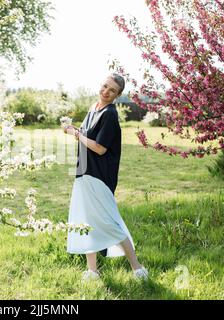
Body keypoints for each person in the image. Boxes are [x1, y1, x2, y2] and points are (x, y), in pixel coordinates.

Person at [63, 74, 148, 281]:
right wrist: (71, 129)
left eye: (112, 90)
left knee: (110, 223)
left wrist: (77, 135)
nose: (106, 91)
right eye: (105, 86)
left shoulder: (109, 114)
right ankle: (92, 271)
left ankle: (138, 269)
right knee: (85, 223)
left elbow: (99, 148)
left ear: (117, 95)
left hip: (99, 176)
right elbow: (85, 135)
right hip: (83, 172)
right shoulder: (93, 108)